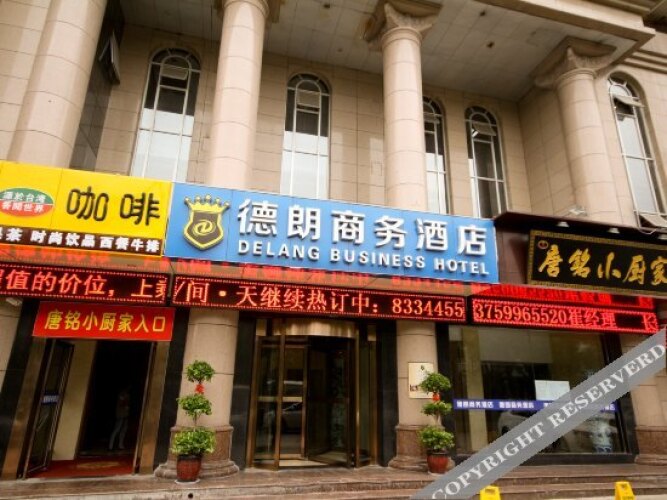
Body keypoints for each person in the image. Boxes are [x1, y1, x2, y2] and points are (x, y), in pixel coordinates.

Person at [108, 387, 130, 451]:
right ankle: (110, 446)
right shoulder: (122, 394)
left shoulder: (127, 395)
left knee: (123, 431)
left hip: (126, 415)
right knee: (117, 429)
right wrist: (125, 403)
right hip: (120, 415)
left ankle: (120, 445)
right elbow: (121, 403)